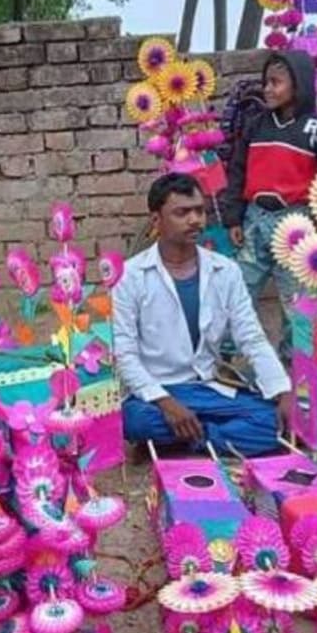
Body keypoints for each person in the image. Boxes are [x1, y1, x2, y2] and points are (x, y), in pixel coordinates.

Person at [113, 173, 292, 456]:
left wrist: (282, 391)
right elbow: (125, 355)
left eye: (199, 211)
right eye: (182, 213)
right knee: (134, 420)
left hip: (209, 389)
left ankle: (192, 438)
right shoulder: (130, 276)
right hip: (159, 392)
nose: (195, 220)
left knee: (274, 420)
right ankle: (218, 437)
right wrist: (166, 403)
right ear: (157, 220)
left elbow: (251, 338)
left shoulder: (225, 271)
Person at [220, 51, 317, 346]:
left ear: (298, 85)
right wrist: (233, 217)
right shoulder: (255, 125)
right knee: (238, 289)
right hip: (253, 222)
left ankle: (294, 359)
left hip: (296, 225)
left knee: (295, 298)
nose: (268, 89)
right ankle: (227, 354)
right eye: (266, 82)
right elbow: (237, 171)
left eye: (276, 82)